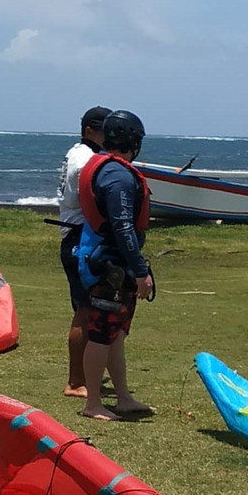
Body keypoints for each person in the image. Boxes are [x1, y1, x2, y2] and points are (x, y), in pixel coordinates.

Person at [75, 109, 155, 421]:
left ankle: (123, 397)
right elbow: (122, 226)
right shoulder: (118, 176)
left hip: (109, 265)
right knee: (101, 334)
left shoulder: (105, 168)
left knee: (116, 334)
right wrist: (140, 270)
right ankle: (93, 402)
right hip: (110, 269)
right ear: (133, 141)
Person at [56, 106, 111, 397]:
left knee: (88, 309)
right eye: (105, 130)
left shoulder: (79, 153)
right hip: (79, 238)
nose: (109, 137)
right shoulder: (84, 159)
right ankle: (76, 381)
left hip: (77, 235)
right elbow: (88, 195)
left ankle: (85, 374)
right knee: (85, 310)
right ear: (90, 130)